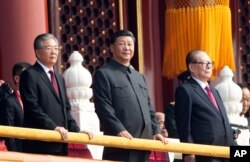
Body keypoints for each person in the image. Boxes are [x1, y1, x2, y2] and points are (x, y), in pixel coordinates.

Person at [93, 29, 167, 162]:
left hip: (144, 141)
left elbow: (149, 107)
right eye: (122, 44)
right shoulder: (104, 74)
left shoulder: (139, 76)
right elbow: (103, 107)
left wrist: (156, 130)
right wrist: (118, 129)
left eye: (130, 44)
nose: (127, 48)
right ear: (112, 47)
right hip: (120, 140)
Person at [19, 33, 93, 156]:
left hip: (60, 142)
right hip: (40, 143)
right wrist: (53, 127)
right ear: (37, 53)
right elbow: (33, 107)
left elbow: (66, 109)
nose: (54, 52)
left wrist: (78, 131)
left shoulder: (59, 77)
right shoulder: (30, 74)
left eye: (56, 48)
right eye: (48, 48)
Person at [174, 50, 235, 162]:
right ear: (191, 67)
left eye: (210, 63)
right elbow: (183, 125)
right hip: (205, 154)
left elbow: (223, 120)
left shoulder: (214, 90)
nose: (208, 66)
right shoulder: (185, 90)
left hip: (226, 151)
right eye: (203, 63)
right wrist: (189, 151)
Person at [1, 62, 31, 151]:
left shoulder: (35, 99)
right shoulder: (9, 101)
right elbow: (9, 132)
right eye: (28, 77)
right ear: (17, 78)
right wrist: (15, 154)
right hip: (19, 150)